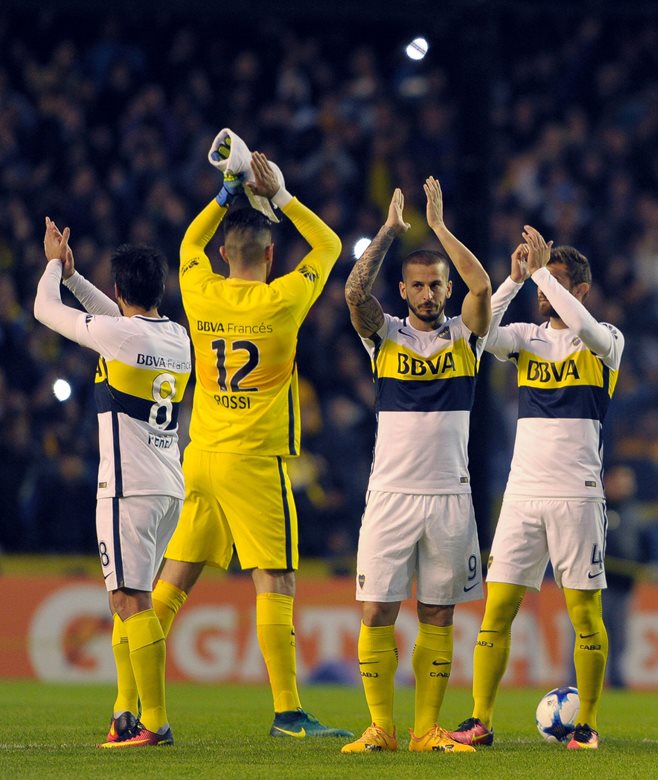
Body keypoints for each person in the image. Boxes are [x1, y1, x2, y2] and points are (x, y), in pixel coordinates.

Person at [151, 150, 351, 739]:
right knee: (276, 580)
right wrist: (282, 196)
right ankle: (288, 712)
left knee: (171, 585)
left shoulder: (198, 291)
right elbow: (331, 247)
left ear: (221, 254)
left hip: (201, 456)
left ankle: (130, 696)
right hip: (255, 463)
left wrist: (225, 190)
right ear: (269, 255)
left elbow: (187, 245)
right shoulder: (283, 299)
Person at [448, 226, 623, 751]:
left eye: (559, 284)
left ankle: (587, 724)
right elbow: (478, 333)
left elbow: (587, 331)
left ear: (582, 290)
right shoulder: (526, 337)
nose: (546, 293)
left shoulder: (607, 339)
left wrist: (544, 271)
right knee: (496, 612)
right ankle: (480, 719)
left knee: (585, 616)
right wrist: (514, 278)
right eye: (544, 286)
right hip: (522, 495)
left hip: (578, 496)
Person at [339, 179, 491, 754]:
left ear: (445, 289)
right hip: (391, 494)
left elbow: (480, 284)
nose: (429, 294)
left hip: (450, 495)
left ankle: (428, 729)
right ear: (402, 290)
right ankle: (381, 727)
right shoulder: (386, 338)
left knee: (436, 611)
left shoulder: (468, 337)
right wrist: (388, 231)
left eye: (436, 286)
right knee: (377, 608)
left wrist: (441, 227)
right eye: (419, 286)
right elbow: (355, 294)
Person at [33, 219, 191, 748]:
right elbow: (112, 318)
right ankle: (125, 710)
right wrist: (78, 279)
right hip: (167, 485)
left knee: (130, 601)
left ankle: (156, 722)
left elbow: (44, 311)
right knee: (127, 600)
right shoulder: (176, 337)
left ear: (121, 289)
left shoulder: (121, 335)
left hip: (128, 486)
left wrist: (55, 264)